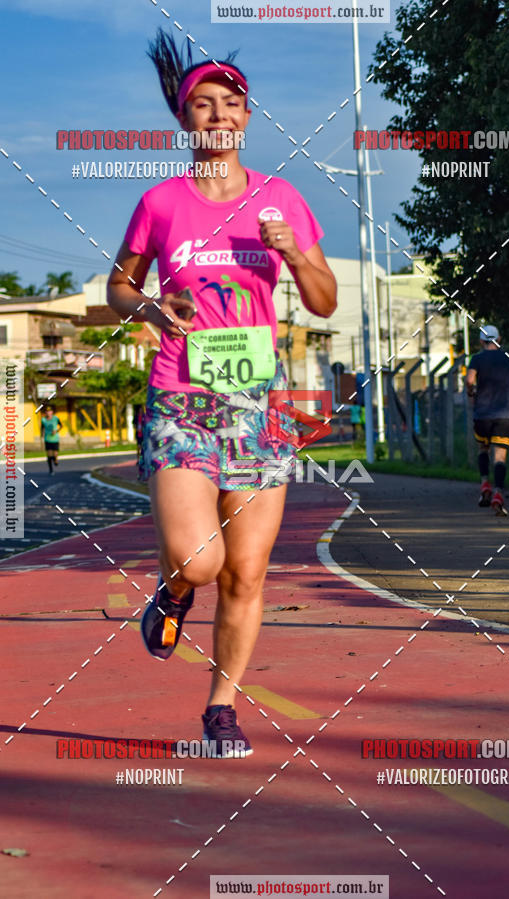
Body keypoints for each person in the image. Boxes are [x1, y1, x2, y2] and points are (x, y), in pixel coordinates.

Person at [106, 30, 337, 758]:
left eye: (229, 105)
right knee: (201, 562)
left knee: (246, 571)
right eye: (202, 106)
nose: (217, 117)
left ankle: (221, 710)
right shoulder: (161, 203)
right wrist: (150, 309)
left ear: (246, 116)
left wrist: (293, 253)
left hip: (258, 408)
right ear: (184, 121)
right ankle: (174, 592)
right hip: (181, 398)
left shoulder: (282, 198)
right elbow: (121, 284)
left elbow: (325, 300)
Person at [465, 325, 509, 515]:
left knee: (483, 448)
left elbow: (469, 381)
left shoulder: (477, 358)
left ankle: (484, 484)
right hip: (504, 415)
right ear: (499, 339)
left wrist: (471, 392)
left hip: (482, 415)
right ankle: (498, 493)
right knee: (500, 457)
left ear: (482, 341)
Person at [40, 405, 62, 474]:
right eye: (47, 411)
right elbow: (42, 428)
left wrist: (56, 431)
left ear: (52, 412)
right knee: (49, 455)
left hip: (55, 439)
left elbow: (61, 425)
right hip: (47, 439)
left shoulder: (55, 418)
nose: (48, 413)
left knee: (55, 454)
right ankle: (51, 470)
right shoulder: (43, 420)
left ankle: (55, 460)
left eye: (49, 411)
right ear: (45, 413)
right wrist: (41, 436)